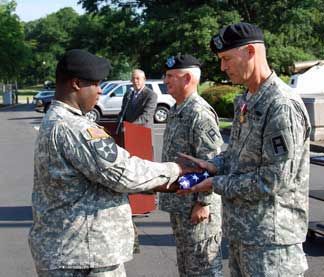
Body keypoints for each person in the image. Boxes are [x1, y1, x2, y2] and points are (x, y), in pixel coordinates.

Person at [28, 49, 193, 277]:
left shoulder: (57, 120)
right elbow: (122, 173)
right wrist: (175, 170)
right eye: (95, 84)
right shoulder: (75, 128)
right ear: (76, 84)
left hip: (68, 251)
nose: (100, 90)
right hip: (83, 257)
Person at [177, 23, 311, 276]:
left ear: (250, 51)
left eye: (226, 58)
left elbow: (273, 181)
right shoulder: (247, 100)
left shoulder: (281, 105)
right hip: (244, 235)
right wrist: (213, 165)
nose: (222, 67)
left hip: (272, 243)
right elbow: (237, 154)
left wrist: (215, 184)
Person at [159, 54, 224, 276]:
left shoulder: (199, 113)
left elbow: (213, 162)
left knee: (203, 268)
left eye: (170, 76)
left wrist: (204, 203)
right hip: (181, 205)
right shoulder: (177, 109)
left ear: (187, 79)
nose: (166, 80)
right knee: (187, 267)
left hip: (197, 208)